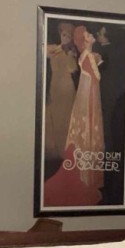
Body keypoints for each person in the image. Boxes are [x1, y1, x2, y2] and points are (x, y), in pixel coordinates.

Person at [43, 25, 105, 207]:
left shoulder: (82, 55)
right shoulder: (78, 54)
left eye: (68, 35)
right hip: (64, 89)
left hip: (77, 90)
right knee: (64, 119)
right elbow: (95, 73)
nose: (90, 35)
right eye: (87, 34)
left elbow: (80, 68)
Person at [44, 21, 78, 162]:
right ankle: (55, 150)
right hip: (55, 85)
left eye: (68, 36)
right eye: (64, 35)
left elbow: (73, 69)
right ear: (60, 34)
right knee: (54, 115)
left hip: (67, 86)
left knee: (66, 118)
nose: (65, 38)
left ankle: (66, 150)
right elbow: (40, 49)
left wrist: (70, 54)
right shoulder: (53, 49)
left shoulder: (72, 52)